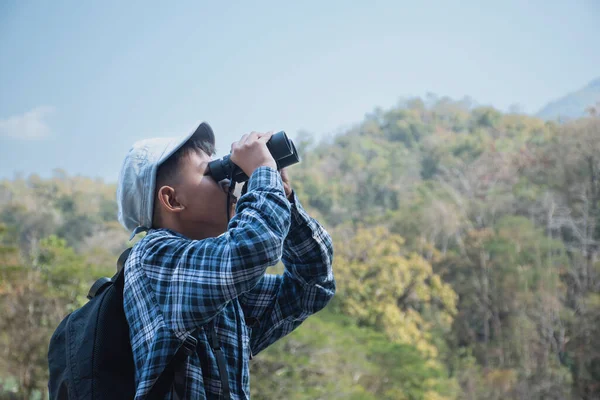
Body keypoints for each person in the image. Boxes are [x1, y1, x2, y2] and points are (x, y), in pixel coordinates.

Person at [116, 122, 336, 399]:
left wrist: (284, 197)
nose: (226, 180)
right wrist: (261, 174)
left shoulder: (216, 286)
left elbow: (313, 286)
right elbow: (255, 246)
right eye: (210, 172)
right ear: (172, 199)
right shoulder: (153, 258)